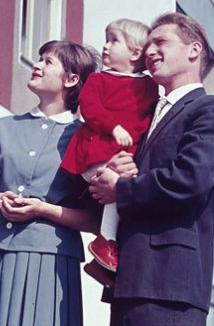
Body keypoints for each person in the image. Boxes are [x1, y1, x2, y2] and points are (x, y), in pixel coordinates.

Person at [89, 12, 214, 325]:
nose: (150, 51)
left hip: (170, 285)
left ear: (193, 50)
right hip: (128, 282)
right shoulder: (145, 117)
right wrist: (113, 171)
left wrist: (122, 188)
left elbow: (190, 180)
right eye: (147, 45)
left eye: (161, 42)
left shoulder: (211, 110)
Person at [0, 40, 101, 326]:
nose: (37, 65)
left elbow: (95, 219)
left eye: (48, 61)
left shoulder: (84, 137)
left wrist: (42, 210)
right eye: (39, 58)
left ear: (71, 79)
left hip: (48, 261)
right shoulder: (2, 127)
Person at [60, 19, 158, 274]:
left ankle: (102, 264)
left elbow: (149, 118)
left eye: (114, 41)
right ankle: (105, 243)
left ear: (136, 53)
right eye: (106, 39)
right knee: (121, 183)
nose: (105, 47)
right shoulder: (98, 79)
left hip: (121, 156)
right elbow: (89, 108)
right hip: (94, 152)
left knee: (130, 193)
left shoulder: (148, 86)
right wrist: (114, 127)